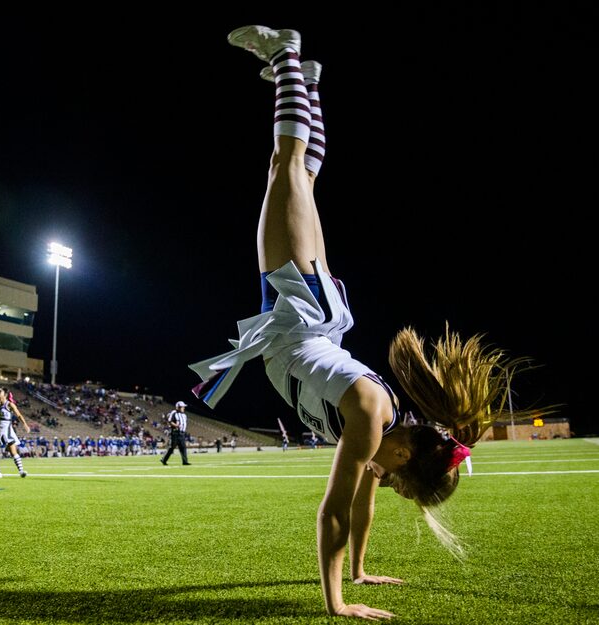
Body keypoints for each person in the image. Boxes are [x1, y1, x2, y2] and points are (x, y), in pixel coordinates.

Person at [189, 25, 546, 620]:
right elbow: (332, 509)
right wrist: (338, 605)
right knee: (286, 166)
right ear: (407, 458)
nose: (391, 490)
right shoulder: (370, 420)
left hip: (313, 312)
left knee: (302, 178)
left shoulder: (381, 428)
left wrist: (359, 570)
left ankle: (310, 85)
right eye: (404, 486)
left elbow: (359, 506)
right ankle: (285, 54)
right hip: (302, 306)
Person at [0, 387, 30, 478]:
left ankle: (21, 471)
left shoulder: (9, 404)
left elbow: (19, 415)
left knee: (13, 452)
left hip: (8, 432)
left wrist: (25, 424)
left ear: (5, 395)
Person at [160, 401, 190, 465]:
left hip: (182, 433)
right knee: (172, 447)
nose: (184, 408)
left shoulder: (184, 415)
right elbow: (170, 421)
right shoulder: (174, 412)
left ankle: (185, 461)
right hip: (175, 433)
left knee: (183, 447)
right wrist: (176, 425)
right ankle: (163, 459)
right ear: (178, 407)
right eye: (182, 407)